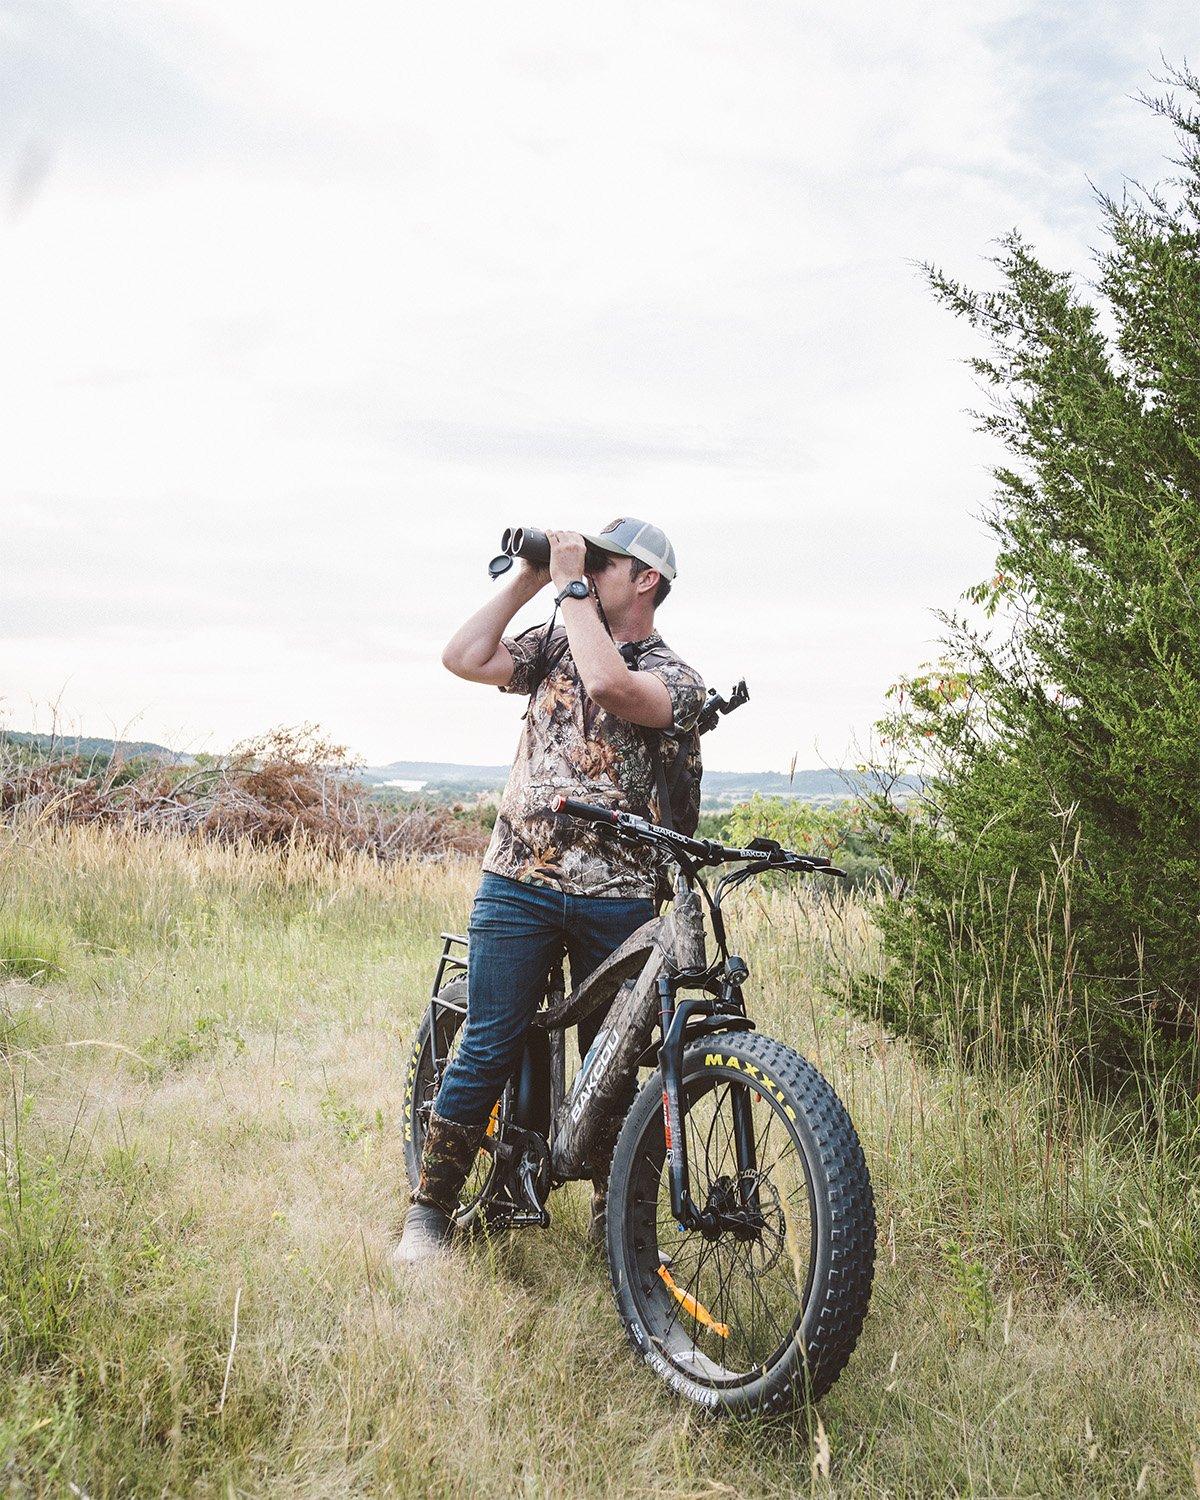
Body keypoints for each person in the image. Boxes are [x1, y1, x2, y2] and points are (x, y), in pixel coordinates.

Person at [392, 518, 706, 1266]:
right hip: (519, 880)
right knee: (490, 1040)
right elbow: (462, 657)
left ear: (646, 581)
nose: (589, 568)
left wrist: (569, 583)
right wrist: (532, 577)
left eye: (606, 563)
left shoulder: (678, 677)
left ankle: (617, 1231)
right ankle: (430, 1211)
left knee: (616, 1064)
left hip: (620, 897)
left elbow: (611, 685)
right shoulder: (555, 638)